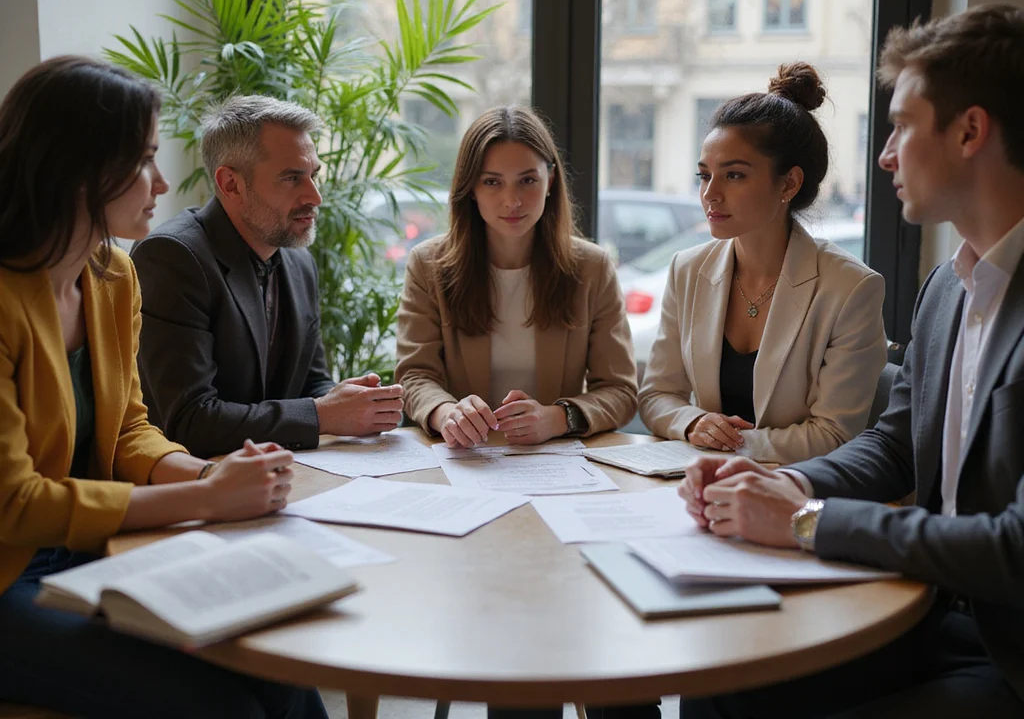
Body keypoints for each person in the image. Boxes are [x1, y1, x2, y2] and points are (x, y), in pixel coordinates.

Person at [678, 4, 1024, 718]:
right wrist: (778, 479)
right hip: (926, 610)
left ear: (970, 131)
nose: (885, 155)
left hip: (1013, 657)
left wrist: (805, 520)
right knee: (715, 681)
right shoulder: (946, 291)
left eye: (901, 126)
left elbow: (1014, 549)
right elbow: (894, 447)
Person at [0, 56, 328, 717]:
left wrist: (206, 478)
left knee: (285, 669)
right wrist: (204, 499)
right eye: (144, 159)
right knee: (220, 706)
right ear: (78, 168)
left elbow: (128, 430)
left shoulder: (113, 277)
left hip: (90, 553)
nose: (163, 180)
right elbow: (15, 503)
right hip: (8, 578)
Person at [639, 62, 887, 464]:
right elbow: (656, 395)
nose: (710, 195)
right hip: (698, 488)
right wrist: (692, 423)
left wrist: (729, 446)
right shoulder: (686, 270)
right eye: (705, 176)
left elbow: (836, 433)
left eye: (734, 176)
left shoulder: (850, 288)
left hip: (794, 495)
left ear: (789, 183)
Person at [132, 95, 403, 458]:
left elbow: (310, 382)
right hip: (197, 490)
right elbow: (189, 422)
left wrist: (355, 400)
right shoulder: (173, 257)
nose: (316, 197)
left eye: (313, 176)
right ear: (231, 184)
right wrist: (323, 415)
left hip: (283, 479)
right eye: (292, 178)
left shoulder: (298, 260)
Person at [395, 105, 638, 449]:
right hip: (465, 456)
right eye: (492, 182)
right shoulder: (428, 264)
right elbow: (415, 376)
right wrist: (448, 412)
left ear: (550, 181)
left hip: (553, 458)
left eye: (528, 181)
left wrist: (557, 418)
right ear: (471, 188)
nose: (512, 201)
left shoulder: (592, 267)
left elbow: (621, 390)